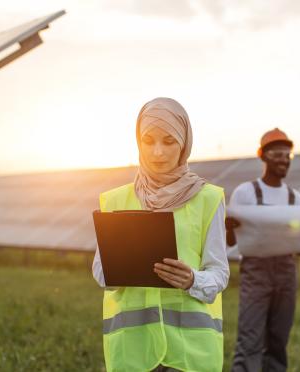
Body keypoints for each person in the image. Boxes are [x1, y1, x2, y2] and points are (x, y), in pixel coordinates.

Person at [92, 97, 230, 372]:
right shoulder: (116, 200)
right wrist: (120, 268)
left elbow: (219, 272)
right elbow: (99, 271)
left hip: (190, 352)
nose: (157, 152)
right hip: (133, 352)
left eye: (169, 141)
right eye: (148, 140)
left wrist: (193, 279)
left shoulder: (208, 198)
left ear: (185, 143)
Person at [229, 128, 300, 372]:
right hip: (256, 272)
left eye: (287, 155)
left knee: (278, 342)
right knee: (250, 341)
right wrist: (228, 226)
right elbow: (231, 240)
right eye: (277, 154)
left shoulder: (297, 199)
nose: (284, 159)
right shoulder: (245, 193)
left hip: (287, 273)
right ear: (262, 156)